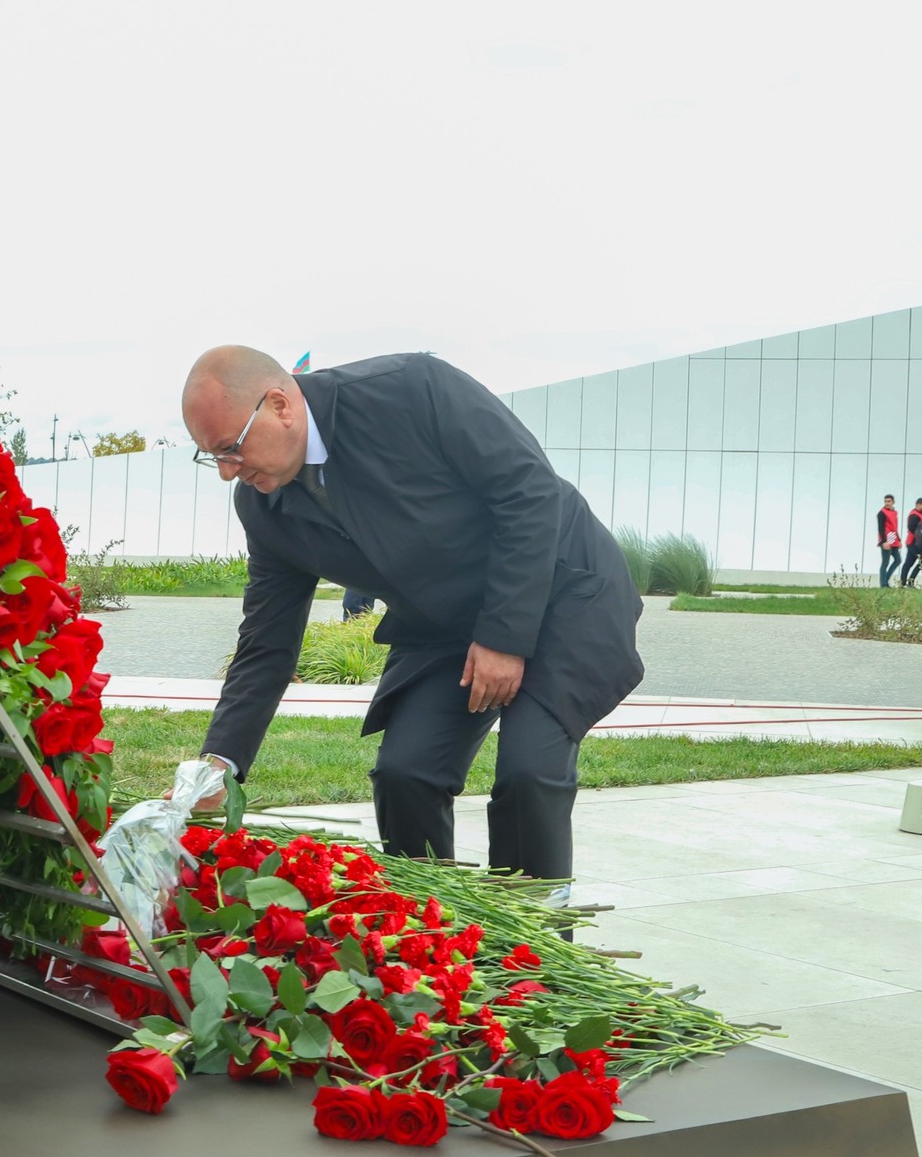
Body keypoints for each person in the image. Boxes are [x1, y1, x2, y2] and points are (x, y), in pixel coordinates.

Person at [182, 346, 644, 880]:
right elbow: (266, 640)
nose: (226, 472)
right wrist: (219, 762)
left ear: (280, 405)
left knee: (529, 771)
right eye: (210, 456)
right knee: (406, 775)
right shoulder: (263, 505)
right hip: (444, 624)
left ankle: (535, 928)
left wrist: (503, 638)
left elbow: (529, 491)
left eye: (230, 448)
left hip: (563, 589)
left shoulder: (410, 389)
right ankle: (434, 922)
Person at [898, 498, 922, 587]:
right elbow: (912, 528)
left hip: (914, 543)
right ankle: (909, 581)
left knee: (909, 563)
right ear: (918, 505)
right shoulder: (914, 516)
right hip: (913, 543)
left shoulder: (919, 515)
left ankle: (903, 582)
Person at [876, 494, 902, 588]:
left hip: (893, 538)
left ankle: (885, 579)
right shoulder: (881, 513)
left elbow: (894, 527)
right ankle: (883, 584)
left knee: (898, 560)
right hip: (886, 539)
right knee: (885, 562)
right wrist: (884, 541)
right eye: (885, 501)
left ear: (893, 502)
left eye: (889, 501)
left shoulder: (894, 512)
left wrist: (899, 540)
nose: (887, 503)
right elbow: (881, 528)